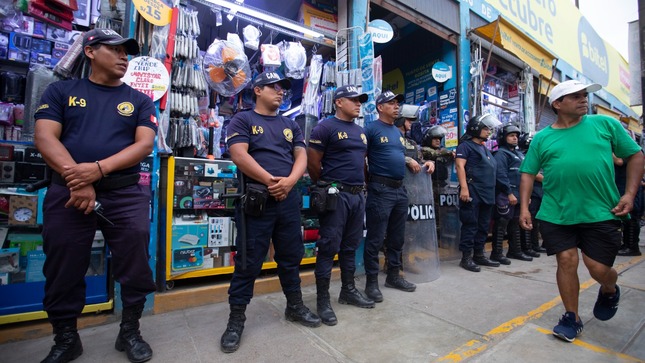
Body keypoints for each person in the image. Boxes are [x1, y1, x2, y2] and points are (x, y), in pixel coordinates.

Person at [34, 28, 158, 363]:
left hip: (125, 193)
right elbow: (45, 138)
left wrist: (98, 170)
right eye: (115, 50)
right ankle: (66, 338)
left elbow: (144, 145)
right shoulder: (61, 91)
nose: (124, 57)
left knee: (135, 259)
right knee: (62, 263)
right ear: (90, 51)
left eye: (126, 52)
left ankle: (129, 330)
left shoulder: (139, 100)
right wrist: (80, 180)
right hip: (69, 192)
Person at [519, 80, 644, 343]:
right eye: (575, 96)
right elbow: (528, 173)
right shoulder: (542, 138)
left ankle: (609, 289)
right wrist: (524, 208)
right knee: (566, 260)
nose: (583, 100)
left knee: (598, 268)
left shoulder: (605, 125)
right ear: (557, 104)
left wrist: (629, 194)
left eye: (584, 95)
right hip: (556, 212)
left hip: (601, 211)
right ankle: (571, 317)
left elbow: (635, 155)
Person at [221, 71, 320, 353]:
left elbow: (301, 156)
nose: (280, 92)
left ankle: (295, 306)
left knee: (291, 257)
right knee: (248, 261)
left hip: (288, 197)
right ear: (258, 90)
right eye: (274, 87)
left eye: (283, 89)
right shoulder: (243, 119)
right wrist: (270, 181)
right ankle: (236, 320)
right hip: (258, 199)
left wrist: (289, 182)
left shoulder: (291, 124)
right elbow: (240, 155)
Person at [307, 85, 375, 326]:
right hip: (337, 195)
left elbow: (363, 164)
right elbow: (313, 164)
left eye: (360, 101)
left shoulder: (361, 132)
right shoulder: (325, 127)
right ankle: (323, 301)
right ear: (338, 102)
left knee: (350, 246)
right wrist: (325, 187)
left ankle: (348, 291)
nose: (358, 104)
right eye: (353, 100)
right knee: (328, 247)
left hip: (358, 196)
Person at [363, 90, 422, 302]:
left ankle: (394, 276)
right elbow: (361, 158)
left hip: (399, 189)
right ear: (380, 107)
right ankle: (371, 283)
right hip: (380, 189)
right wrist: (369, 182)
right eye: (391, 103)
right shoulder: (370, 129)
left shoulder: (397, 132)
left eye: (398, 103)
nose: (396, 106)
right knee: (376, 238)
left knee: (397, 237)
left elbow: (401, 156)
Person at [455, 114, 502, 272]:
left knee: (483, 226)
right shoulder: (465, 146)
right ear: (475, 128)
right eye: (485, 128)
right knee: (471, 225)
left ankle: (479, 255)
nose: (488, 131)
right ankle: (466, 257)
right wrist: (464, 188)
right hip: (472, 191)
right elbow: (460, 167)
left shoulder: (484, 148)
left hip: (487, 193)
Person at [490, 123, 534, 265]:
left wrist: (526, 196)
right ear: (503, 137)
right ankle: (496, 253)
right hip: (506, 195)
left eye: (516, 136)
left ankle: (515, 250)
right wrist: (508, 193)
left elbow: (525, 176)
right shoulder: (501, 154)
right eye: (511, 136)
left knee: (516, 223)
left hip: (519, 194)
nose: (515, 138)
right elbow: (500, 174)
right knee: (502, 223)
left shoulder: (519, 154)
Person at [518, 133, 546, 254]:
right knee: (531, 220)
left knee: (539, 221)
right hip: (533, 194)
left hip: (541, 193)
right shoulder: (524, 156)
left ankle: (536, 245)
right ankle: (530, 246)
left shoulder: (540, 156)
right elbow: (532, 174)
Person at [614, 153, 643, 256]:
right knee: (627, 216)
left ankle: (631, 246)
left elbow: (619, 161)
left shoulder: (627, 147)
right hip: (622, 183)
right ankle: (627, 244)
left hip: (626, 184)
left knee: (630, 215)